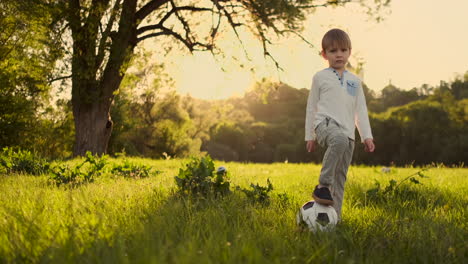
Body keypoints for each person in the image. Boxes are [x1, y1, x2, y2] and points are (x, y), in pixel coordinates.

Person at [305, 28, 375, 220]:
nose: (339, 55)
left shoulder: (354, 81)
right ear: (324, 54)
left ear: (349, 52)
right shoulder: (320, 77)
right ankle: (323, 185)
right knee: (339, 141)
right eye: (333, 51)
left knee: (341, 179)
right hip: (325, 125)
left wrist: (366, 136)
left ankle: (334, 219)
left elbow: (360, 110)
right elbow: (311, 107)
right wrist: (310, 135)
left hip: (349, 133)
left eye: (343, 50)